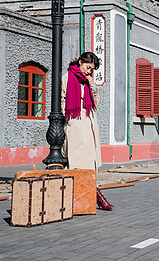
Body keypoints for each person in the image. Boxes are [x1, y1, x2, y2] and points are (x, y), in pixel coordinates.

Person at [61, 52, 113, 210]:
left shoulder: (86, 81)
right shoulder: (67, 77)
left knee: (90, 163)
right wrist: (69, 118)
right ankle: (96, 196)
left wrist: (92, 85)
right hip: (76, 124)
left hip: (89, 124)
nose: (89, 71)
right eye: (87, 67)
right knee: (77, 163)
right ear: (80, 61)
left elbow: (95, 103)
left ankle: (88, 197)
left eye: (92, 69)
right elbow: (62, 99)